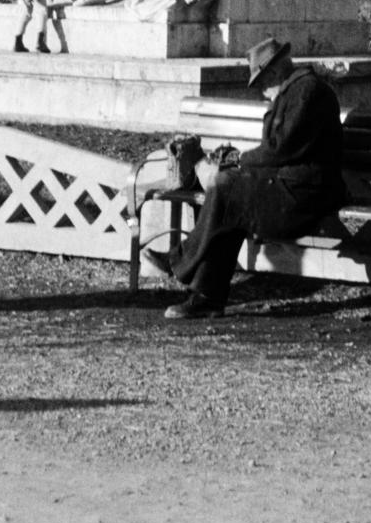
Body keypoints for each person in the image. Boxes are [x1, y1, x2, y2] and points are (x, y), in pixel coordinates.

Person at [144, 36, 347, 319]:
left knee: (226, 190)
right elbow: (279, 150)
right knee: (228, 198)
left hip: (308, 197)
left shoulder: (307, 92)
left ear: (275, 72)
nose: (262, 91)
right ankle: (204, 296)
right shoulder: (295, 92)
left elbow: (280, 149)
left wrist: (239, 160)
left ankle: (184, 267)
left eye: (262, 83)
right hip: (292, 189)